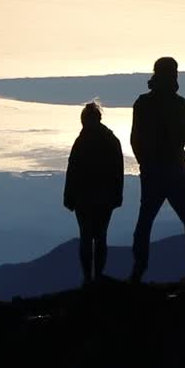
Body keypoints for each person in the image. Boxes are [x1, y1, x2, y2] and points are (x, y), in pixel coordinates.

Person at [129, 57, 185, 283]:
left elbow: (135, 139)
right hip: (175, 169)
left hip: (155, 171)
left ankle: (138, 270)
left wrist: (145, 163)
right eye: (173, 73)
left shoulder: (144, 103)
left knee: (146, 221)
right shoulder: (178, 104)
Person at [63, 102, 124, 285]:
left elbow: (72, 170)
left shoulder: (81, 141)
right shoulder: (111, 140)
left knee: (87, 236)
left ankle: (90, 278)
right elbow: (118, 171)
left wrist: (69, 197)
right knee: (99, 236)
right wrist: (117, 196)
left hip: (86, 198)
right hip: (103, 198)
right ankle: (95, 277)